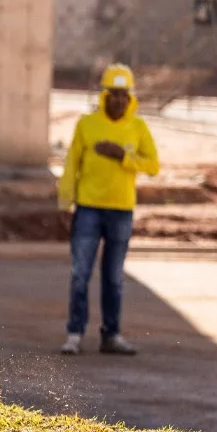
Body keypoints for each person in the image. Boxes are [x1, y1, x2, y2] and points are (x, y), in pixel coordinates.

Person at [57, 64, 160, 356]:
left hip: (121, 211)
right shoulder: (87, 125)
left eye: (123, 95)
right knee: (80, 273)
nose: (118, 100)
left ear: (130, 98)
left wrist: (123, 156)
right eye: (113, 94)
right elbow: (70, 167)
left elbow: (153, 165)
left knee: (113, 277)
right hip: (88, 209)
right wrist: (65, 204)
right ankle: (74, 334)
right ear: (104, 96)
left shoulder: (137, 128)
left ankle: (111, 336)